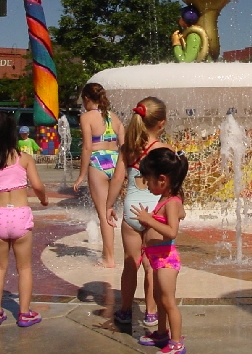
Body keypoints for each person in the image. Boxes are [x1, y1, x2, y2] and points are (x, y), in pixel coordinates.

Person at [0, 111, 49, 327]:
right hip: (20, 215)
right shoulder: (23, 159)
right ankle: (24, 313)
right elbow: (37, 185)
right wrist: (43, 199)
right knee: (24, 268)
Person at [106, 96, 169, 327]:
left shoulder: (128, 149)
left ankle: (125, 310)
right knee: (152, 267)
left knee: (130, 264)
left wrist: (109, 205)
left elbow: (117, 179)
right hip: (154, 215)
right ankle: (151, 312)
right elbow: (170, 187)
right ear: (161, 123)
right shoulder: (164, 151)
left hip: (131, 212)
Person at [133, 147, 188, 354]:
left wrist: (149, 221)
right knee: (159, 299)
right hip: (157, 258)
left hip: (166, 260)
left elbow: (171, 231)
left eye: (148, 180)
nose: (147, 185)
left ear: (162, 179)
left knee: (168, 301)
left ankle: (176, 343)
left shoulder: (172, 202)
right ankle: (162, 332)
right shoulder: (166, 198)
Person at [72, 83, 124, 268]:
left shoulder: (86, 117)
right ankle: (111, 253)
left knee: (103, 214)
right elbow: (124, 145)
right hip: (115, 161)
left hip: (98, 162)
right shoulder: (114, 117)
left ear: (87, 99)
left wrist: (81, 175)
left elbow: (87, 147)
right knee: (111, 209)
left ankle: (108, 258)